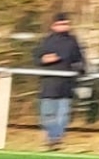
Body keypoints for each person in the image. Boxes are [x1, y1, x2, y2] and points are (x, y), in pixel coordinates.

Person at [34, 11, 85, 150]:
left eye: (66, 24)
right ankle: (52, 137)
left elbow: (80, 60)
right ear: (54, 26)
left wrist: (80, 69)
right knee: (47, 113)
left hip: (66, 84)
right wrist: (44, 59)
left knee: (63, 114)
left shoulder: (73, 41)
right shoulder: (46, 41)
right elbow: (36, 58)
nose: (64, 26)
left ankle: (56, 139)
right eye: (61, 24)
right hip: (49, 84)